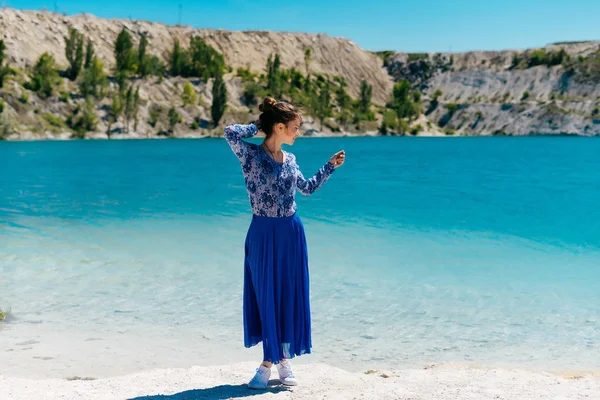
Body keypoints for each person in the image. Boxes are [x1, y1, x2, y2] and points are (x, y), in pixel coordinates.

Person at [224, 96, 345, 390]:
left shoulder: (290, 160)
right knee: (266, 296)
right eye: (294, 127)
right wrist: (259, 124)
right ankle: (269, 362)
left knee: (289, 296)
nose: (298, 132)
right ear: (279, 127)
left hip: (292, 233)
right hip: (263, 234)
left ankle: (282, 362)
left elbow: (306, 189)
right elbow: (230, 132)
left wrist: (329, 167)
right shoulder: (250, 156)